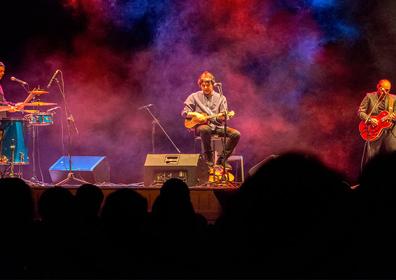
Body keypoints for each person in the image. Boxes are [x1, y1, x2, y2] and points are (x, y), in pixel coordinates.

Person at [181, 71, 240, 168]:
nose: (205, 88)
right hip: (201, 127)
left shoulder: (221, 98)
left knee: (236, 134)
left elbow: (222, 118)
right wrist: (195, 113)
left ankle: (221, 160)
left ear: (213, 84)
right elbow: (184, 113)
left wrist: (222, 117)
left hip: (216, 126)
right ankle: (209, 161)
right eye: (203, 85)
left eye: (207, 85)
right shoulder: (194, 96)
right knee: (205, 129)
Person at [358, 79, 396, 166]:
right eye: (383, 89)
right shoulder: (369, 97)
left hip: (391, 131)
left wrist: (393, 117)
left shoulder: (394, 99)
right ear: (378, 87)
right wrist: (370, 119)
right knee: (372, 157)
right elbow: (360, 112)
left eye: (388, 90)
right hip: (373, 130)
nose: (385, 92)